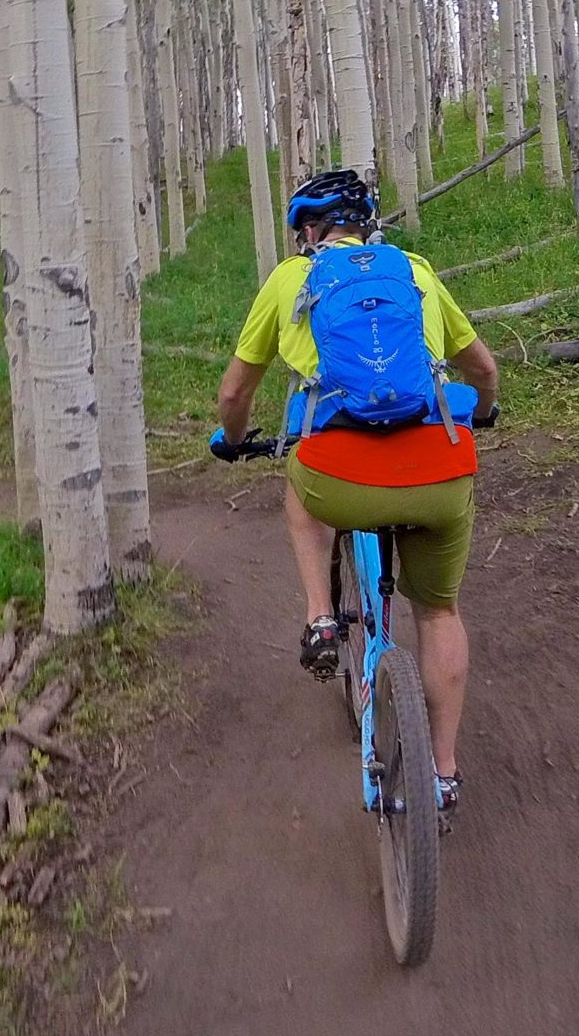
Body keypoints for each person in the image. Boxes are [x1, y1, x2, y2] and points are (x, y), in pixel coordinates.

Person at [209, 167, 498, 820]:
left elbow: (235, 394)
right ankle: (444, 774)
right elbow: (483, 368)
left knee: (300, 487)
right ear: (365, 225)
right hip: (437, 474)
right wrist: (485, 410)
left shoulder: (290, 280)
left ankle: (319, 615)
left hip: (340, 477)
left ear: (309, 231)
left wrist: (232, 439)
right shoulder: (415, 270)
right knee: (439, 613)